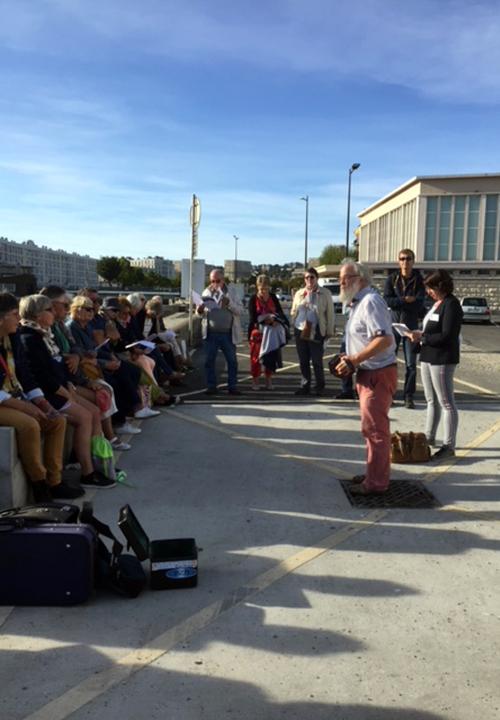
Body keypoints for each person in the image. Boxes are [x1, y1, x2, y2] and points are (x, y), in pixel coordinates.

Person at [18, 294, 116, 490]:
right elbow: (41, 376)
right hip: (48, 394)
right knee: (85, 417)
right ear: (37, 315)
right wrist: (65, 390)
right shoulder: (30, 339)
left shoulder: (43, 335)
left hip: (60, 387)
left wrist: (68, 385)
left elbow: (57, 366)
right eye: (49, 310)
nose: (53, 313)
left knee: (95, 412)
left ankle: (99, 464)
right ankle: (88, 472)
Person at [0, 292, 78, 501]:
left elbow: (24, 374)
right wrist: (26, 407)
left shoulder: (12, 338)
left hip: (14, 394)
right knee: (29, 425)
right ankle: (40, 485)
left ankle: (56, 481)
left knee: (57, 421)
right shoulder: (22, 337)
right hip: (3, 401)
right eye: (14, 314)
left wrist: (41, 402)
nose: (19, 319)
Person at [334, 261, 397, 495]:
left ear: (359, 278)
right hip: (368, 371)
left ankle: (377, 483)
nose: (341, 282)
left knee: (376, 431)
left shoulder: (370, 302)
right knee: (370, 429)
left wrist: (354, 359)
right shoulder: (358, 302)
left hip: (377, 373)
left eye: (345, 278)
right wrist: (349, 357)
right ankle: (374, 473)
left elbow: (384, 339)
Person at [408, 269, 463, 461]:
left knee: (447, 403)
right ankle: (429, 437)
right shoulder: (437, 304)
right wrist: (418, 334)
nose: (428, 292)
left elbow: (448, 335)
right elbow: (430, 329)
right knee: (431, 400)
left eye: (431, 288)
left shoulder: (452, 305)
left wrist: (422, 336)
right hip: (427, 356)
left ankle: (449, 445)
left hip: (442, 359)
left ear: (440, 286)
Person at [383, 249, 425, 408]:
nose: (405, 262)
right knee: (389, 363)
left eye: (408, 259)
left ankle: (408, 396)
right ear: (398, 261)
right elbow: (387, 301)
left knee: (411, 365)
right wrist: (404, 300)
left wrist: (406, 302)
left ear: (413, 261)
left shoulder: (419, 280)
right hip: (394, 326)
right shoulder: (392, 279)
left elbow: (420, 302)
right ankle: (389, 395)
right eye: (402, 259)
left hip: (411, 328)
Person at [196, 268, 243, 395]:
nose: (215, 284)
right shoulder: (206, 292)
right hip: (211, 332)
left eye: (218, 281)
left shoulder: (232, 292)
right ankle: (211, 386)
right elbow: (199, 314)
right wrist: (199, 309)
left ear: (223, 280)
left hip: (227, 333)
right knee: (209, 361)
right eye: (212, 281)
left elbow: (240, 311)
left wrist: (229, 304)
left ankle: (232, 386)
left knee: (232, 361)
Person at [290, 267, 334, 396]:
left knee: (316, 360)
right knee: (303, 360)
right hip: (301, 329)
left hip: (316, 329)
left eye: (312, 277)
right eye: (306, 277)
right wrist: (296, 315)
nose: (309, 280)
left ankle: (319, 386)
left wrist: (329, 331)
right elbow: (293, 311)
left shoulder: (325, 293)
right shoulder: (299, 293)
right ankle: (305, 385)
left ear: (317, 278)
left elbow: (330, 313)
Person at [247, 275, 289, 390]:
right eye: (261, 289)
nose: (264, 292)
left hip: (272, 331)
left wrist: (275, 320)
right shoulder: (253, 299)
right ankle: (255, 381)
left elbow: (280, 313)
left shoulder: (273, 297)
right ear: (257, 287)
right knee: (256, 359)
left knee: (270, 356)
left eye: (266, 289)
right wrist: (264, 320)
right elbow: (252, 318)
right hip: (258, 332)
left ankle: (268, 380)